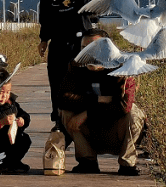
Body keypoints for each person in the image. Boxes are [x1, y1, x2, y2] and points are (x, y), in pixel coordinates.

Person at [57, 29, 145, 176]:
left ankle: (127, 163)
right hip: (91, 133)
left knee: (135, 113)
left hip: (116, 132)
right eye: (84, 47)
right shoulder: (76, 66)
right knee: (65, 112)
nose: (88, 52)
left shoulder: (123, 68)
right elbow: (63, 99)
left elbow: (123, 105)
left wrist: (87, 113)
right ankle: (87, 162)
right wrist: (98, 99)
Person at [38, 0, 97, 129]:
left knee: (81, 82)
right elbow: (45, 15)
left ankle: (82, 119)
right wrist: (43, 39)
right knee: (57, 82)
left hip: (80, 43)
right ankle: (59, 120)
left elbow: (94, 7)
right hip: (58, 43)